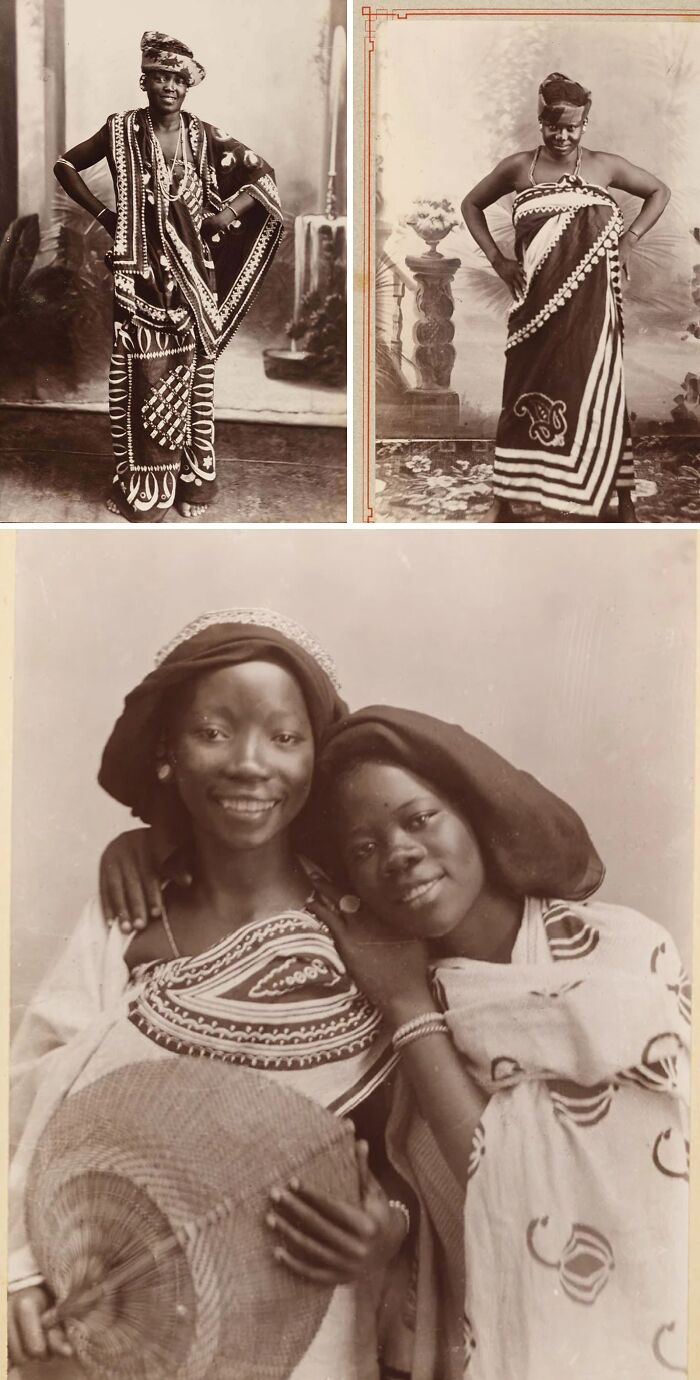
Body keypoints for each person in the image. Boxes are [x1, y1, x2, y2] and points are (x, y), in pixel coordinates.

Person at [8, 613, 413, 1380]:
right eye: (214, 733)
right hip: (122, 1316)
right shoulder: (125, 918)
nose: (250, 764)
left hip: (313, 1326)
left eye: (284, 737)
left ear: (317, 759)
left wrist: (389, 1228)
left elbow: (413, 1138)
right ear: (167, 751)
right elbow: (33, 1092)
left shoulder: (365, 925)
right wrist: (20, 1271)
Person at [298, 706, 690, 1380]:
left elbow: (519, 1186)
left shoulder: (622, 952)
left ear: (475, 815)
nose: (397, 853)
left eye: (420, 818)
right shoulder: (377, 1001)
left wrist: (411, 1009)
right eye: (362, 849)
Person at [53, 33, 283, 523]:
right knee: (142, 376)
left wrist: (224, 216)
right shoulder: (120, 130)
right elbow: (66, 165)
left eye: (178, 79)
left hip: (194, 278)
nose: (169, 87)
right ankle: (146, 488)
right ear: (145, 81)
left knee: (193, 375)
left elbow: (263, 178)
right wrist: (105, 214)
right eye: (160, 77)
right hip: (137, 276)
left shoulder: (205, 136)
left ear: (188, 84)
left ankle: (193, 484)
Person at [461, 72, 671, 523]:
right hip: (534, 304)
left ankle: (622, 498)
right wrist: (498, 261)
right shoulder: (519, 167)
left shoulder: (604, 166)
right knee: (523, 387)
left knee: (602, 391)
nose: (562, 136)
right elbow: (470, 205)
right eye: (552, 126)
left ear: (584, 124)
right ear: (540, 122)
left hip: (594, 309)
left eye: (571, 127)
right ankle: (505, 498)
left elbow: (659, 191)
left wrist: (630, 239)